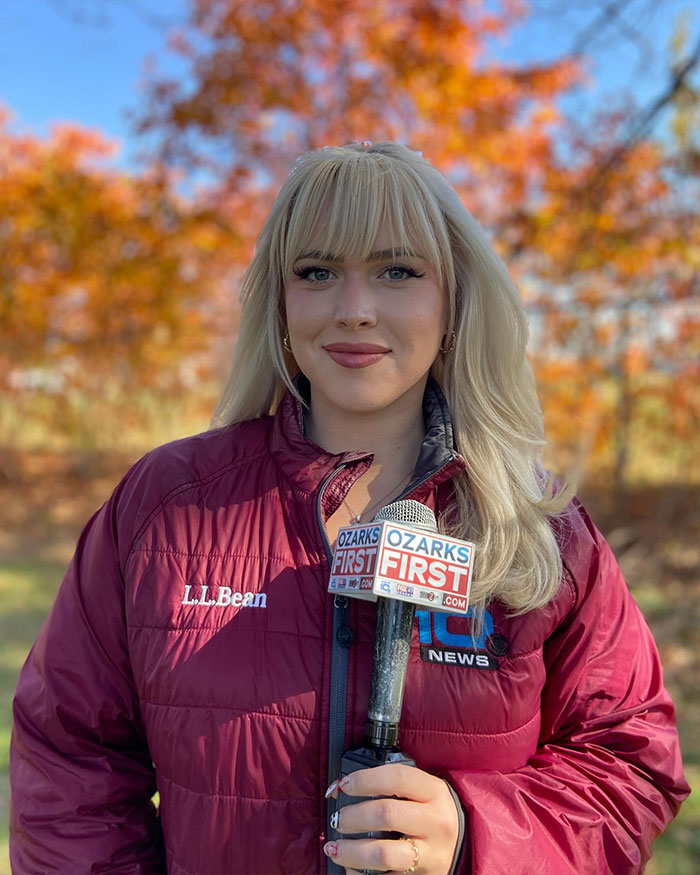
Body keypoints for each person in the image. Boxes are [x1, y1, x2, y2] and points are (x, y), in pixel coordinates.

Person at [10, 141, 689, 875]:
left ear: (453, 298)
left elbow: (632, 760)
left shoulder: (542, 528)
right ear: (280, 299)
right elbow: (69, 759)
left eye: (397, 270)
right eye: (317, 272)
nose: (354, 309)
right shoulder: (164, 503)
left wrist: (475, 833)